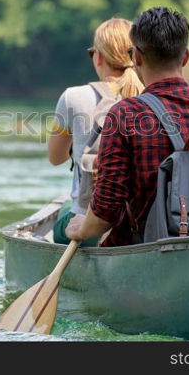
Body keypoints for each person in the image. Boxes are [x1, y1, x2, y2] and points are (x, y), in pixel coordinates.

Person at [65, 7, 189, 246]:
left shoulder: (125, 113)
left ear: (136, 57)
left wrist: (81, 230)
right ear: (185, 57)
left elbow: (107, 210)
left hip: (143, 246)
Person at [47, 18, 144, 244]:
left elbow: (55, 157)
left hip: (90, 228)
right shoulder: (152, 96)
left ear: (98, 57)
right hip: (140, 227)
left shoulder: (73, 97)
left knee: (66, 209)